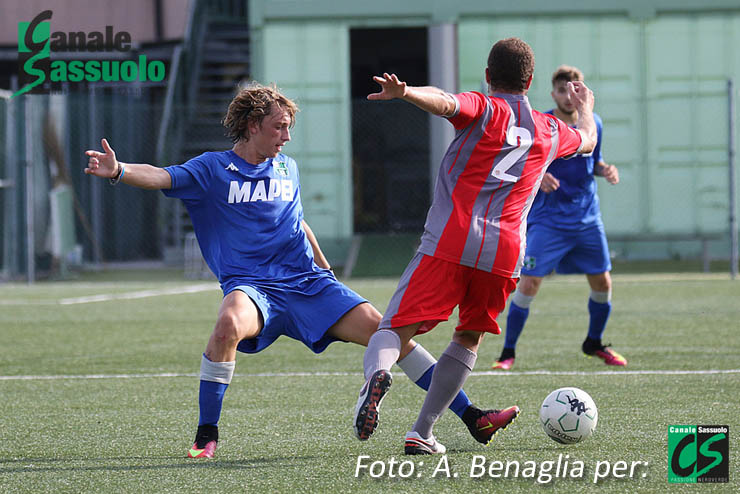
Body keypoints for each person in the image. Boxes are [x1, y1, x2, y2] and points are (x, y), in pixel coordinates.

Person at [84, 82, 507, 459]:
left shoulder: (288, 167)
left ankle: (471, 415)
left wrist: (326, 270)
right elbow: (161, 177)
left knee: (389, 331)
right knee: (228, 323)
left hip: (308, 284)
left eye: (289, 128)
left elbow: (296, 222)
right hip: (253, 288)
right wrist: (119, 170)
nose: (286, 137)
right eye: (279, 127)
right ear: (252, 125)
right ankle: (206, 435)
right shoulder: (211, 169)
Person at [354, 38, 599, 455]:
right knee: (467, 337)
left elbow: (445, 102)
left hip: (449, 241)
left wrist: (406, 92)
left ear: (488, 77)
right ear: (531, 80)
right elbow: (588, 139)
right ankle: (422, 432)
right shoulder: (550, 128)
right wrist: (585, 107)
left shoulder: (484, 107)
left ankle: (377, 375)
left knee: (394, 329)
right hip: (504, 252)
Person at [491, 65, 626, 371]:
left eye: (575, 90)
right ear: (553, 94)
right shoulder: (544, 125)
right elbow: (521, 165)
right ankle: (507, 353)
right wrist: (538, 178)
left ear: (585, 93)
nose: (569, 96)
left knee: (602, 281)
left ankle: (594, 342)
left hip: (587, 218)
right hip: (548, 220)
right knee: (528, 285)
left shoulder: (595, 124)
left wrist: (605, 169)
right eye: (563, 90)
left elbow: (594, 160)